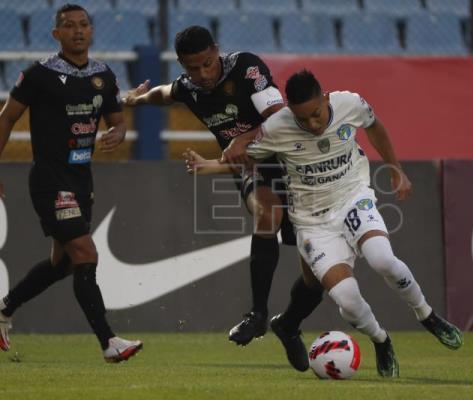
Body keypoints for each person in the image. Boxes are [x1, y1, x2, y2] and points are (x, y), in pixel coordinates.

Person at [185, 70, 464, 377]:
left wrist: (395, 168)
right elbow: (243, 158)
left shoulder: (350, 103)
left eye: (316, 114)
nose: (313, 124)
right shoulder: (277, 128)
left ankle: (427, 316)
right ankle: (381, 340)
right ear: (291, 112)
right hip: (312, 222)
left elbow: (374, 126)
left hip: (352, 199)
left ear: (325, 98)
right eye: (303, 119)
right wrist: (208, 166)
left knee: (383, 259)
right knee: (345, 296)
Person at [122, 26, 323, 347]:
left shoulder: (246, 68)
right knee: (267, 214)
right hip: (250, 165)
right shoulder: (188, 87)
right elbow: (163, 94)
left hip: (291, 161)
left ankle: (289, 324)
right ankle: (257, 315)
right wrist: (137, 99)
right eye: (192, 68)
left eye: (207, 63)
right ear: (181, 65)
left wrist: (240, 138)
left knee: (317, 270)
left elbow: (278, 116)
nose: (201, 74)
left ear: (216, 51)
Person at [0, 4, 142, 362]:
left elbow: (117, 120)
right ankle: (109, 343)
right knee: (85, 253)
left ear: (92, 31)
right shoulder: (38, 75)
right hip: (49, 180)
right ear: (56, 34)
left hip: (81, 179)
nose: (77, 31)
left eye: (83, 25)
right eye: (68, 26)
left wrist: (118, 133)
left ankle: (5, 308)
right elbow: (6, 119)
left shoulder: (103, 76)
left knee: (63, 263)